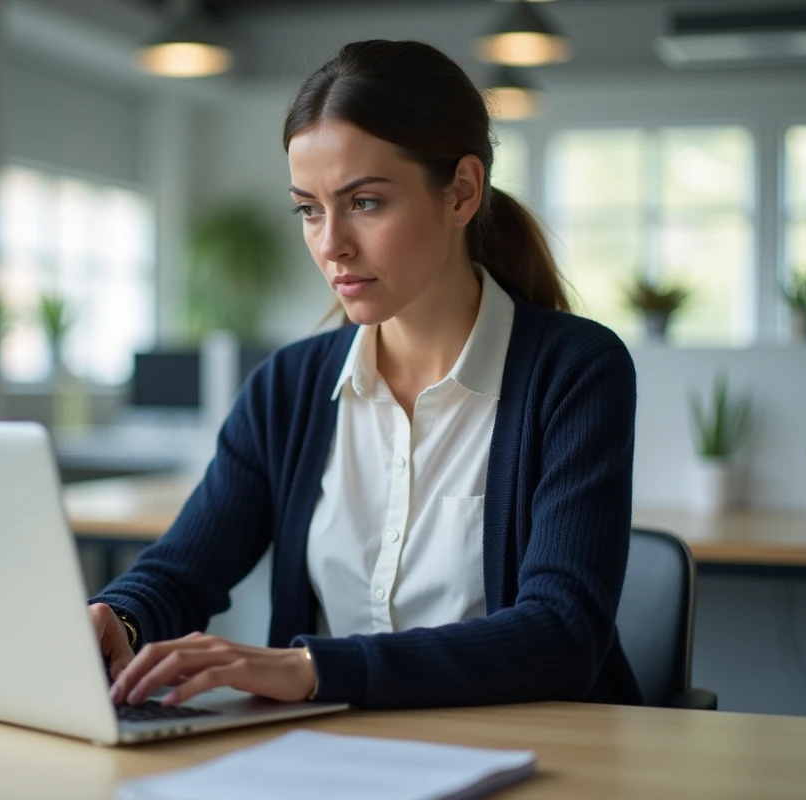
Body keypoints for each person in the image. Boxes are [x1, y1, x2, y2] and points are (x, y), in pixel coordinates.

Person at [91, 39, 643, 711]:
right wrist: (118, 618)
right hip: (335, 761)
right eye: (309, 209)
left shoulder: (574, 372)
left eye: (366, 202)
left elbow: (563, 635)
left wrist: (313, 668)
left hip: (534, 754)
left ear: (463, 191)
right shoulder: (289, 387)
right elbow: (182, 570)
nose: (330, 245)